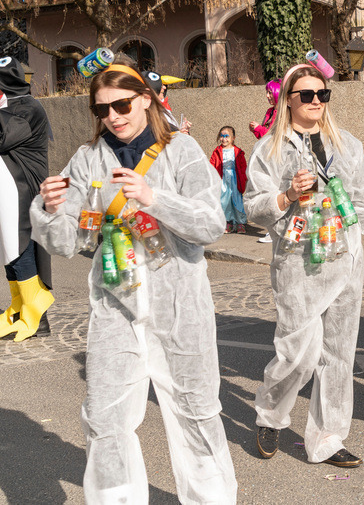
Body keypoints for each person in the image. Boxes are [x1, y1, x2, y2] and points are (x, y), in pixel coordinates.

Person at [30, 61, 237, 502]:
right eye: (101, 109)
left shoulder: (181, 150)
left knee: (196, 411)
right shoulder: (88, 159)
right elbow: (69, 241)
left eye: (121, 104)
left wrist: (153, 197)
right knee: (104, 418)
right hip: (115, 305)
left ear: (146, 98)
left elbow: (211, 223)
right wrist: (50, 211)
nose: (113, 116)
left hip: (180, 305)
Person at [245, 62, 364, 468]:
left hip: (345, 259)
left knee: (338, 356)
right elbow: (253, 207)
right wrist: (288, 194)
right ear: (287, 100)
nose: (316, 102)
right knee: (299, 354)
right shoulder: (269, 150)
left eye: (322, 94)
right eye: (306, 95)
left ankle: (327, 438)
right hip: (297, 264)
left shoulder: (348, 145)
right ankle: (271, 413)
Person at [0, 57, 53, 342]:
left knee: (19, 248)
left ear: (5, 82)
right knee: (9, 248)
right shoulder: (10, 106)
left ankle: (35, 313)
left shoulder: (27, 107)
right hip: (7, 191)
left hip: (23, 190)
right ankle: (19, 308)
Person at [210, 125, 249, 233]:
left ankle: (240, 222)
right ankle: (228, 222)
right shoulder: (217, 151)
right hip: (223, 180)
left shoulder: (238, 152)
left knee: (237, 200)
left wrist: (244, 178)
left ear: (233, 138)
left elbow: (243, 167)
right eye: (221, 136)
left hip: (235, 180)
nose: (224, 139)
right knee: (224, 201)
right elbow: (212, 164)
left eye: (226, 136)